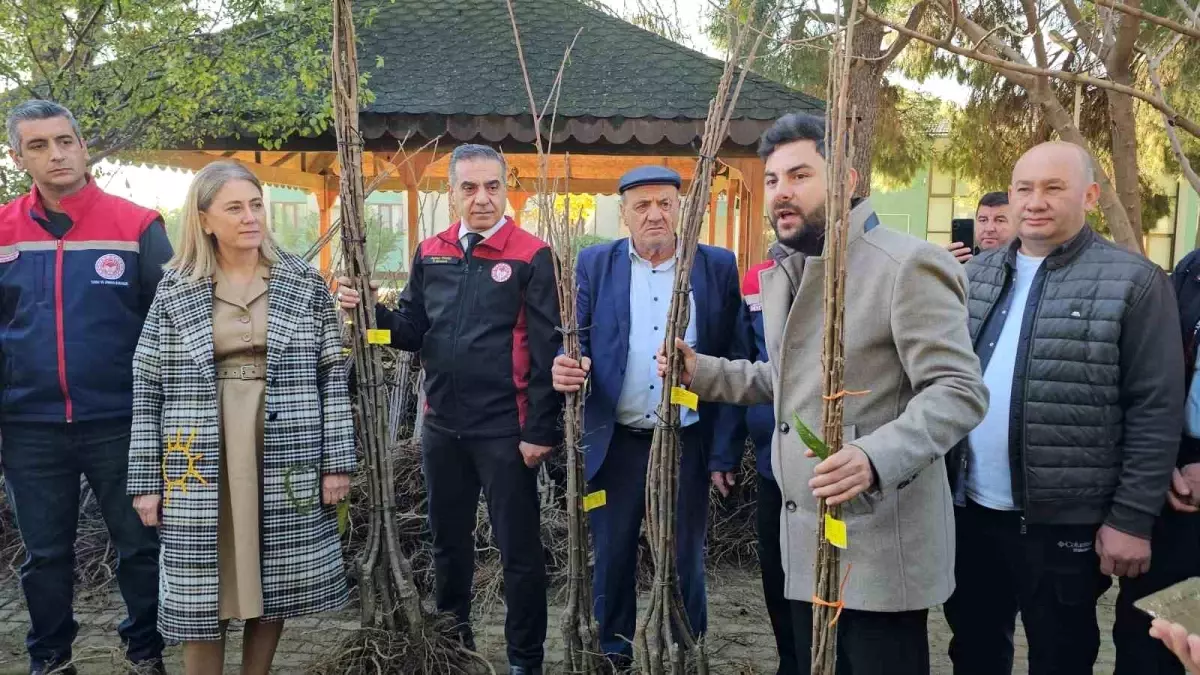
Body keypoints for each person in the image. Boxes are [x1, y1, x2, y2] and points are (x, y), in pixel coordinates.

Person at [662, 112, 988, 674]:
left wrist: (874, 457)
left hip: (877, 541)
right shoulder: (791, 270)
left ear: (847, 180)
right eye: (772, 180)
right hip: (803, 535)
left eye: (800, 175)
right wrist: (703, 373)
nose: (781, 192)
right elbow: (791, 381)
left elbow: (959, 391)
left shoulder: (906, 266)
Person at [945, 141, 1184, 675]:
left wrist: (1131, 519)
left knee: (1061, 654)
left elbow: (1155, 407)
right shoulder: (974, 276)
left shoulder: (1134, 282)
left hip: (1064, 523)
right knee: (974, 649)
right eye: (1024, 189)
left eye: (1054, 188)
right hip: (969, 512)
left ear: (1090, 196)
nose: (1035, 202)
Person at [338, 144, 561, 675]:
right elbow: (413, 332)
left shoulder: (532, 255)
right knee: (448, 546)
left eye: (492, 186)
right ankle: (455, 646)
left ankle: (525, 660)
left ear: (506, 190)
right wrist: (372, 313)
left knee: (518, 551)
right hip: (442, 427)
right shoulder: (431, 252)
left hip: (506, 431)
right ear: (452, 193)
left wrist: (539, 430)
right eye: (469, 187)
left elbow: (548, 350)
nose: (481, 198)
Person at [127, 160, 356, 675]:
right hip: (198, 453)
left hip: (286, 441)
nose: (250, 217)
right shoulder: (175, 288)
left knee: (273, 575)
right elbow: (147, 384)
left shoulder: (302, 282)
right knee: (198, 590)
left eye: (256, 205)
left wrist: (337, 463)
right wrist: (144, 483)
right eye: (234, 208)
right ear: (205, 219)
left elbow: (331, 374)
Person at [0, 100, 171, 675]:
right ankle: (50, 659)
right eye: (39, 145)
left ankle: (145, 653)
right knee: (44, 556)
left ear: (83, 145)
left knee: (141, 547)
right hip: (28, 427)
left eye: (64, 141)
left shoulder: (137, 226)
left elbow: (171, 327)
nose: (56, 154)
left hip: (122, 422)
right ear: (18, 157)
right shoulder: (2, 230)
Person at [550, 165, 743, 670]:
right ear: (624, 214)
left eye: (664, 203)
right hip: (616, 442)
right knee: (612, 555)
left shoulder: (716, 266)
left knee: (684, 557)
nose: (654, 214)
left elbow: (736, 357)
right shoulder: (596, 263)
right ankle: (613, 656)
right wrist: (568, 363)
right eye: (642, 205)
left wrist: (723, 452)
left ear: (680, 209)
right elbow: (575, 338)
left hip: (686, 442)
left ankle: (684, 653)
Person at [1110, 244, 1200, 675]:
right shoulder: (1191, 270)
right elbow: (1152, 381)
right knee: (1149, 635)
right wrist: (1161, 458)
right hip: (1176, 480)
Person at [709, 257, 799, 675]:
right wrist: (724, 452)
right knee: (775, 568)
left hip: (827, 464)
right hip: (769, 460)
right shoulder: (756, 279)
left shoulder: (846, 270)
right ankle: (790, 660)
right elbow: (741, 361)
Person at [946, 191, 1015, 263]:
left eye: (999, 220)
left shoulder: (1021, 266)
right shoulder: (956, 262)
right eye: (983, 220)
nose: (989, 229)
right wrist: (943, 268)